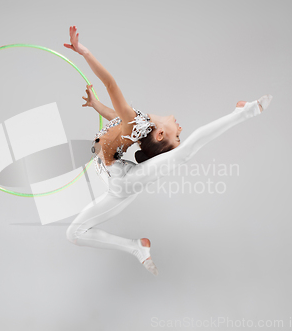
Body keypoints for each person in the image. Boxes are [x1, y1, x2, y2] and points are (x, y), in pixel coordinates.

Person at [63, 26, 273, 275]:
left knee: (74, 233)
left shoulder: (134, 122)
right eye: (179, 133)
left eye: (177, 134)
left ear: (161, 135)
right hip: (119, 178)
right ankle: (136, 248)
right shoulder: (135, 122)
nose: (180, 126)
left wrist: (84, 52)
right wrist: (97, 104)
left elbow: (110, 83)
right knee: (74, 234)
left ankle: (244, 112)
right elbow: (116, 119)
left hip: (122, 183)